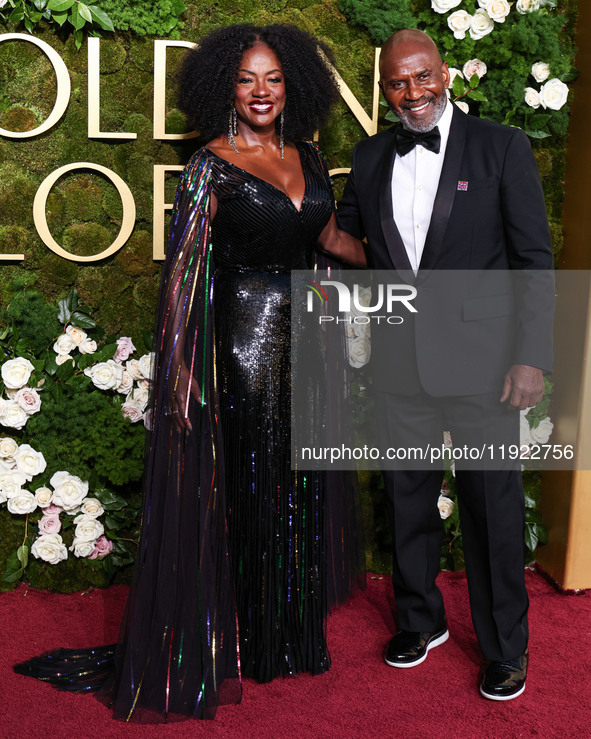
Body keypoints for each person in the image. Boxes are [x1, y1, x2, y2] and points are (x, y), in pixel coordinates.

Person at [14, 24, 365, 722]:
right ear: (223, 89)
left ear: (292, 81)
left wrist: (408, 257)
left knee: (298, 486)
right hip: (240, 346)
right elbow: (183, 272)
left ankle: (287, 638)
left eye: (271, 77)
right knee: (251, 485)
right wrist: (181, 369)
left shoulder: (311, 156)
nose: (261, 91)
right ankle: (240, 640)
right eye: (245, 79)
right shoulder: (211, 162)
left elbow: (326, 238)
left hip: (308, 345)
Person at [337, 29, 553, 701]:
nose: (413, 92)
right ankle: (418, 621)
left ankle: (502, 647)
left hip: (487, 367)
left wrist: (530, 358)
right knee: (405, 499)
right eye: (399, 83)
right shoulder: (370, 154)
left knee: (490, 507)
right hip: (400, 361)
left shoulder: (500, 147)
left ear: (445, 73)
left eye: (422, 76)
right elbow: (354, 243)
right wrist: (295, 212)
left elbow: (533, 261)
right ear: (385, 91)